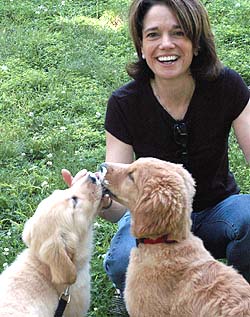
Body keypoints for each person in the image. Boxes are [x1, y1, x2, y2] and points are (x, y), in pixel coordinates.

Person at [63, 0, 250, 295]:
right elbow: (119, 208)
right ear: (140, 45)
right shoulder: (124, 104)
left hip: (217, 211)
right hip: (153, 225)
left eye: (178, 33)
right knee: (123, 262)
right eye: (153, 35)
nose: (166, 44)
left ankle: (235, 298)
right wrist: (102, 201)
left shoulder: (227, 85)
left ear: (196, 42)